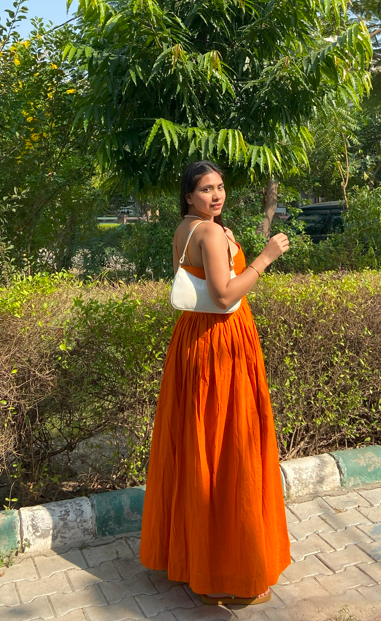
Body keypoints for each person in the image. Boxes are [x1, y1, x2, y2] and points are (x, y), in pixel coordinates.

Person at [139, 160, 292, 607]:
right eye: (206, 189)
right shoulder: (207, 231)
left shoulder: (188, 228)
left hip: (193, 341)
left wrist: (224, 241)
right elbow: (225, 295)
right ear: (189, 195)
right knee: (231, 451)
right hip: (221, 345)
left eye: (220, 187)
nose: (216, 196)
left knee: (199, 449)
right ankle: (228, 573)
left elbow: (202, 282)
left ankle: (195, 565)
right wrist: (265, 257)